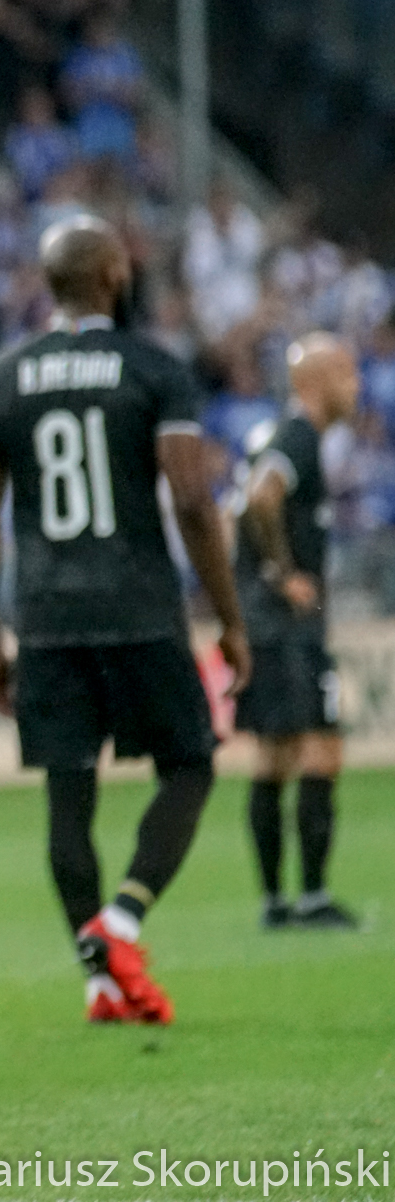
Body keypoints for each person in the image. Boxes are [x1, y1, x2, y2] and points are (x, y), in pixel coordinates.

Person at [0, 215, 251, 1026]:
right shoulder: (153, 369)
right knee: (188, 766)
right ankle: (118, 925)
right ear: (116, 276)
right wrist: (229, 617)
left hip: (46, 613)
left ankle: (97, 986)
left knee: (67, 791)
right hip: (137, 604)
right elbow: (190, 498)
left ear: (48, 283)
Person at [231, 334, 361, 930]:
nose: (355, 387)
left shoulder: (278, 435)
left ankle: (274, 901)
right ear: (318, 380)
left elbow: (243, 504)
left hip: (262, 621)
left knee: (274, 756)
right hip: (287, 625)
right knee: (321, 748)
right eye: (347, 374)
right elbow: (261, 498)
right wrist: (284, 574)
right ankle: (311, 896)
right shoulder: (299, 435)